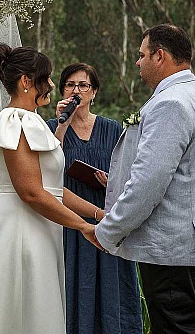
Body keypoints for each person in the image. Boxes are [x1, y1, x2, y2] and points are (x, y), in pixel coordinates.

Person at [0, 44, 104, 334]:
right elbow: (30, 192)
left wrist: (96, 214)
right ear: (27, 81)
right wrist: (82, 228)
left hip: (39, 226)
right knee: (19, 312)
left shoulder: (32, 121)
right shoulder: (14, 122)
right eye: (47, 77)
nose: (53, 84)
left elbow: (51, 187)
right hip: (22, 230)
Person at [94, 24, 195, 334]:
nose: (138, 62)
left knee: (175, 328)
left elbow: (148, 183)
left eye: (142, 55)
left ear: (160, 56)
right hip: (186, 243)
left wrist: (108, 231)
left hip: (171, 246)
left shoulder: (171, 103)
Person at [46, 63, 142, 334]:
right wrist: (62, 123)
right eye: (70, 85)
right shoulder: (50, 127)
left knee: (113, 284)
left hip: (107, 218)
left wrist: (112, 180)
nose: (76, 91)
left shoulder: (112, 129)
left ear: (94, 92)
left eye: (83, 85)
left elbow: (133, 173)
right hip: (68, 220)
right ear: (62, 91)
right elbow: (46, 165)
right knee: (73, 283)